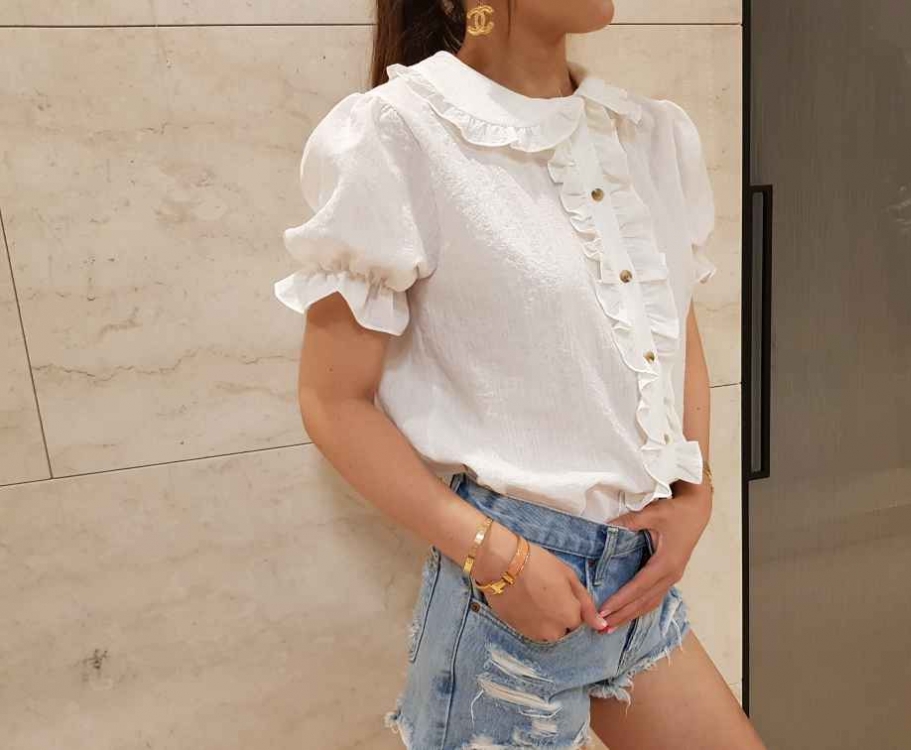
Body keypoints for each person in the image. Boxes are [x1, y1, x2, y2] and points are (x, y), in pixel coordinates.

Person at [273, 1, 766, 747]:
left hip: (637, 586)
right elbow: (333, 400)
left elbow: (675, 332)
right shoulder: (399, 135)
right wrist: (497, 559)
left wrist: (696, 493)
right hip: (507, 593)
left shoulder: (648, 134)